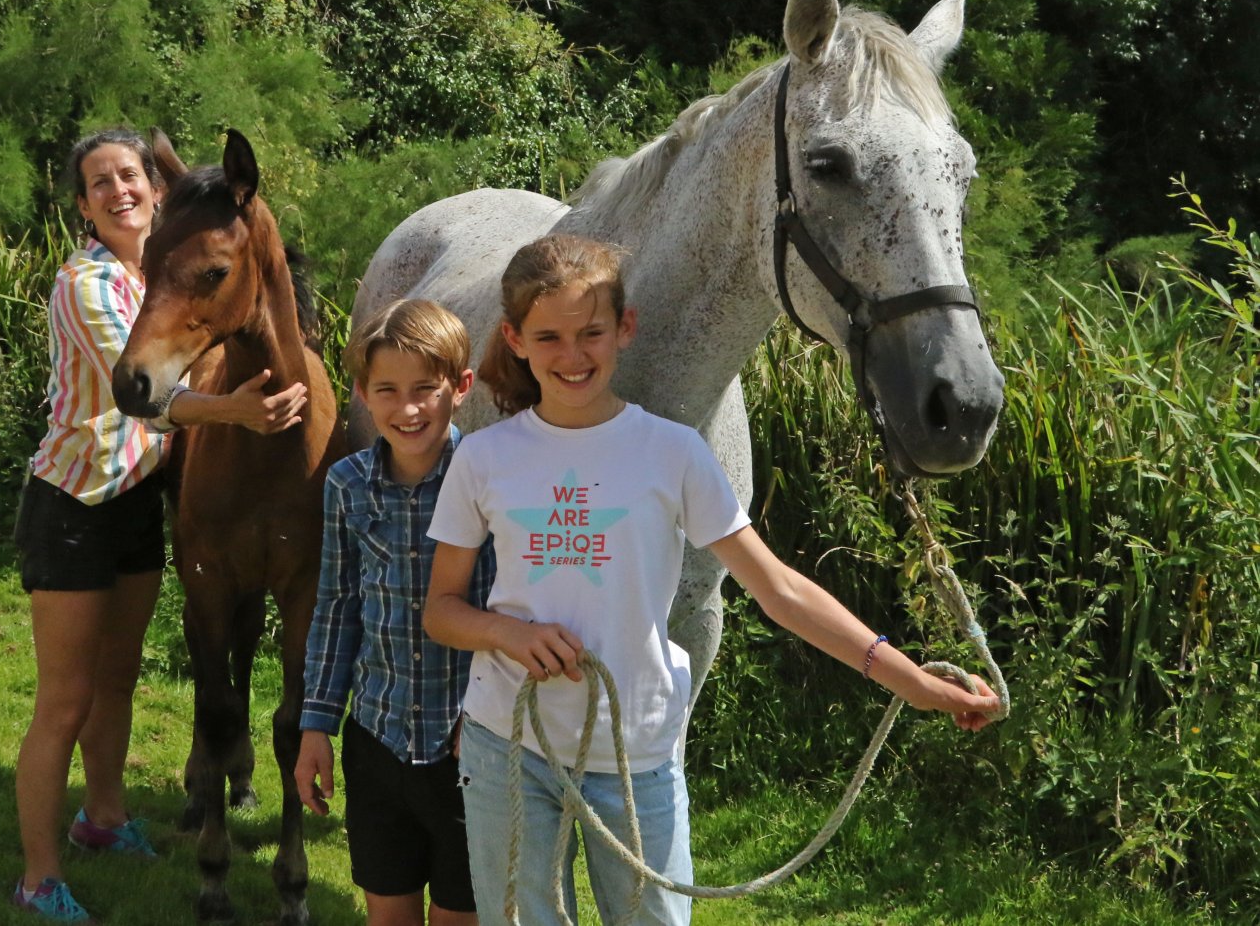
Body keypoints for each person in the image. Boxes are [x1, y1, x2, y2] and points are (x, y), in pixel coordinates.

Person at [422, 233, 1001, 926]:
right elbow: (442, 610)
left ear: (624, 328)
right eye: (549, 337)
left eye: (591, 333)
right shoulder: (485, 458)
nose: (572, 356)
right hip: (508, 746)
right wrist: (508, 634)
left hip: (636, 747)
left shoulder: (673, 453)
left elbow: (779, 590)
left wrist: (913, 682)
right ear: (516, 339)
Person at [12, 128, 309, 922]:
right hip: (75, 503)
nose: (119, 190)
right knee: (65, 700)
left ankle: (103, 818)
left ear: (154, 186)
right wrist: (236, 412)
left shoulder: (163, 264)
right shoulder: (85, 284)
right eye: (99, 182)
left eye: (129, 175)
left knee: (118, 680)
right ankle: (38, 876)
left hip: (138, 497)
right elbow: (144, 394)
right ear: (83, 206)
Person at [293, 298, 494, 926]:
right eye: (387, 390)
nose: (407, 410)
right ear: (362, 393)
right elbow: (337, 607)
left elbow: (511, 607)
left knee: (461, 914)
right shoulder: (347, 484)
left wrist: (487, 709)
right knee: (388, 913)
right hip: (376, 736)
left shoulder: (490, 479)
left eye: (425, 389)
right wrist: (316, 724)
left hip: (467, 742)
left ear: (460, 386)